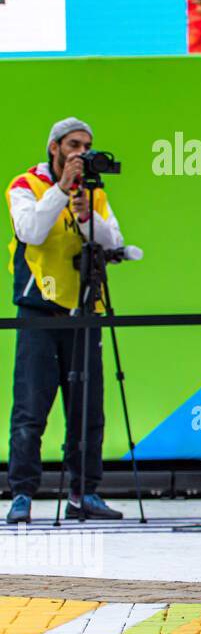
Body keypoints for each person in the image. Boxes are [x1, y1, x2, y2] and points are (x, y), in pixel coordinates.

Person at [5, 119, 126, 523]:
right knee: (30, 407)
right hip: (38, 311)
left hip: (83, 309)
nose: (81, 152)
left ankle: (84, 493)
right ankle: (22, 494)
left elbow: (114, 242)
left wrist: (89, 213)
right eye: (73, 144)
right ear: (54, 147)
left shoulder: (93, 191)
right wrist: (60, 191)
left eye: (87, 145)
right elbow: (31, 231)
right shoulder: (25, 184)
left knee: (88, 409)